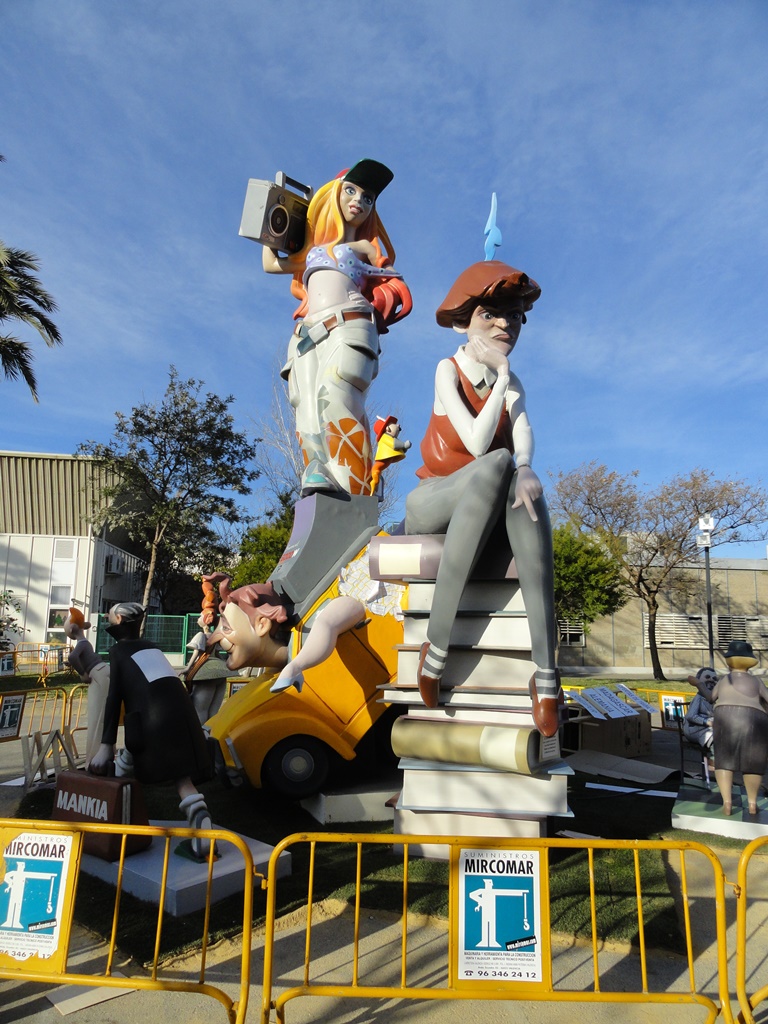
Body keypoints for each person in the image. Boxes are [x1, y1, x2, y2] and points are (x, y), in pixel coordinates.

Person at [404, 261, 559, 736]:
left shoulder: (513, 388)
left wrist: (528, 469)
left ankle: (546, 676)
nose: (504, 324)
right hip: (434, 500)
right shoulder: (446, 370)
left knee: (523, 489)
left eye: (513, 315)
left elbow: (524, 432)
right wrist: (502, 372)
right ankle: (437, 646)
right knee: (496, 462)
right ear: (465, 319)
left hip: (486, 506)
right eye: (491, 314)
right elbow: (476, 442)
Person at [263, 159, 411, 497]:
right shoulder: (312, 252)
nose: (359, 200)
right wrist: (272, 224)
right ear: (335, 194)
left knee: (336, 395)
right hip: (308, 334)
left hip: (348, 325)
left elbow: (391, 276)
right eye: (351, 190)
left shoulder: (367, 247)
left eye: (368, 197)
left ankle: (356, 486)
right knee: (307, 407)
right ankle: (318, 471)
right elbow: (272, 263)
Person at [88, 602, 215, 858]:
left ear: (120, 620)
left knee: (129, 763)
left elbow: (115, 698)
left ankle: (117, 823)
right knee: (180, 776)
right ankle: (197, 812)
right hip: (181, 716)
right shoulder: (152, 647)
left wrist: (105, 746)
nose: (106, 618)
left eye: (110, 615)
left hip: (148, 723)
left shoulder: (119, 651)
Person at [203, 573, 365, 695]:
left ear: (262, 624)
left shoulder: (311, 630)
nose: (213, 639)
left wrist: (295, 667)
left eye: (226, 628)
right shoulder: (270, 670)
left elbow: (332, 621)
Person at [712, 640, 768, 816]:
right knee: (753, 763)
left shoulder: (723, 680)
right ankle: (752, 803)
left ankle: (727, 802)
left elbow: (712, 696)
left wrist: (698, 684)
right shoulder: (756, 681)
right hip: (754, 719)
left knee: (724, 761)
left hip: (725, 716)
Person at [64, 607, 111, 768]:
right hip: (102, 672)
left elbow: (73, 657)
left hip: (96, 674)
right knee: (103, 716)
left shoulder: (82, 643)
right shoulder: (85, 643)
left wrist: (83, 674)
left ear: (71, 629)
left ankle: (93, 759)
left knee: (97, 718)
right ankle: (104, 754)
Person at [369, 415, 411, 494]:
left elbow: (397, 446)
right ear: (387, 429)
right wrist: (404, 445)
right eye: (394, 424)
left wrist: (404, 448)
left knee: (377, 478)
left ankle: (373, 489)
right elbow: (394, 444)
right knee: (376, 478)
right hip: (379, 466)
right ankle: (372, 489)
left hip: (383, 463)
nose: (398, 425)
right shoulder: (385, 437)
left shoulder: (390, 438)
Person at [682, 667, 717, 757]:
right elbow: (690, 716)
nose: (711, 680)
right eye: (707, 677)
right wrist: (707, 722)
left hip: (707, 727)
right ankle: (713, 757)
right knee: (714, 734)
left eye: (714, 679)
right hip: (694, 728)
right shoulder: (699, 698)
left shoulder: (714, 699)